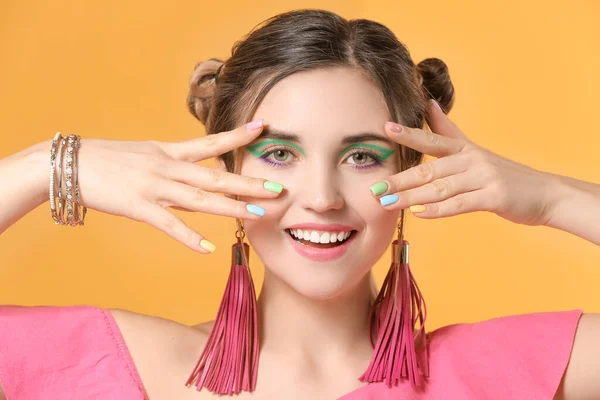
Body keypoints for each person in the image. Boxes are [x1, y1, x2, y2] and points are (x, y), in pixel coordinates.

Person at [0, 8, 599, 400]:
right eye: (279, 154)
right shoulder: (106, 364)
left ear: (412, 174)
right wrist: (47, 167)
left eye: (362, 156)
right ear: (229, 170)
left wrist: (552, 198)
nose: (322, 198)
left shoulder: (499, 371)